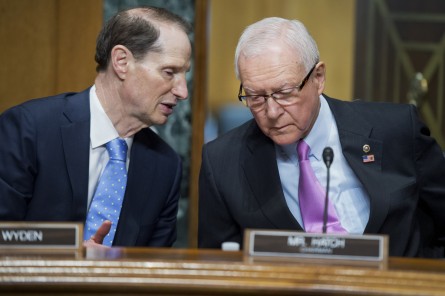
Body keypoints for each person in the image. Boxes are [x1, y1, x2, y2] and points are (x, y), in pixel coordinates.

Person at [198, 17, 445, 257]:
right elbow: (218, 266)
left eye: (285, 93)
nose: (271, 112)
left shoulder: (396, 129)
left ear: (318, 78)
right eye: (255, 97)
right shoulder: (222, 162)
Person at [0, 6, 192, 248]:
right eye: (169, 72)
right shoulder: (29, 130)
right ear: (122, 62)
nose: (182, 91)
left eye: (184, 74)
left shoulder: (165, 165)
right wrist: (69, 262)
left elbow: (152, 270)